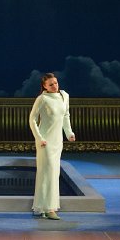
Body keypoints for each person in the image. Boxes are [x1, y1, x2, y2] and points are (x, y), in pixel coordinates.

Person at [28, 72, 76, 220]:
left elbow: (66, 116)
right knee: (46, 173)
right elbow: (32, 119)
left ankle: (44, 207)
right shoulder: (42, 99)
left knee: (54, 174)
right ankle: (49, 209)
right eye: (51, 84)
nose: (55, 86)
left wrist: (69, 133)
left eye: (56, 83)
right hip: (45, 142)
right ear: (44, 86)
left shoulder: (64, 96)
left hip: (57, 142)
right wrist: (39, 138)